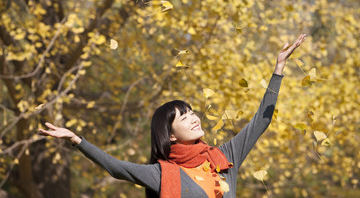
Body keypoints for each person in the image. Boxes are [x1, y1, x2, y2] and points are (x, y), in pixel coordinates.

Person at [38, 34, 307, 198]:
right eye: (184, 117)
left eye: (192, 112)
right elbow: (116, 167)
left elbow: (262, 119)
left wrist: (279, 68)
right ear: (170, 134)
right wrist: (76, 139)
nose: (194, 118)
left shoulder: (224, 157)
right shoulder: (162, 174)